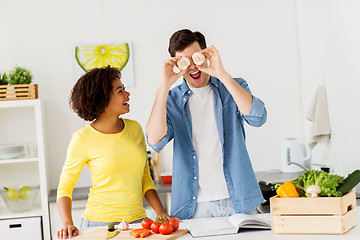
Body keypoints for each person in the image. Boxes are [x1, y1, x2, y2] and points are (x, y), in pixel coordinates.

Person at [146, 29, 267, 220]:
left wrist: (222, 73)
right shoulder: (171, 99)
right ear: (177, 65)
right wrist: (163, 86)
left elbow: (258, 118)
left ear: (205, 54)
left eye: (196, 57)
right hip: (195, 207)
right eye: (184, 61)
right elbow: (155, 141)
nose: (193, 66)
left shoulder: (233, 87)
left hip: (240, 201)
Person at [57, 66, 170, 239]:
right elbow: (65, 186)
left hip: (139, 222)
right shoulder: (82, 138)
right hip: (98, 225)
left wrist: (160, 211)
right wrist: (67, 222)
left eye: (124, 88)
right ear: (102, 100)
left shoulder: (135, 129)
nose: (127, 94)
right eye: (120, 91)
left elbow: (145, 177)